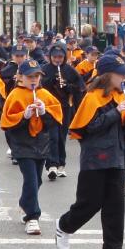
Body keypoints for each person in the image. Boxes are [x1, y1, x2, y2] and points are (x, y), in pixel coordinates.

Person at [55, 54, 125, 249]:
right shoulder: (92, 97)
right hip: (95, 158)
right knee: (89, 203)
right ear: (108, 75)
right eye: (120, 74)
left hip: (117, 157)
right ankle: (64, 226)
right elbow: (87, 129)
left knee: (115, 205)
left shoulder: (122, 97)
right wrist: (115, 113)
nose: (124, 78)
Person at [1, 59, 62, 235]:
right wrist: (24, 115)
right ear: (20, 77)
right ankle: (32, 216)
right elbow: (7, 123)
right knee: (31, 179)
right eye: (30, 77)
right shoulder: (15, 95)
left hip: (41, 144)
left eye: (37, 76)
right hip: (22, 145)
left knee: (37, 179)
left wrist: (45, 112)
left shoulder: (45, 94)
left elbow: (56, 121)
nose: (34, 80)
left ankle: (24, 202)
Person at [42, 44, 85, 179]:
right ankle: (52, 165)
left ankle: (61, 164)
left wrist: (67, 86)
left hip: (65, 107)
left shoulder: (70, 70)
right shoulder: (45, 69)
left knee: (61, 136)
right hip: (49, 107)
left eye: (60, 57)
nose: (57, 59)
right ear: (50, 57)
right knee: (52, 136)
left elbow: (80, 87)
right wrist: (51, 80)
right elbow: (40, 85)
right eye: (54, 57)